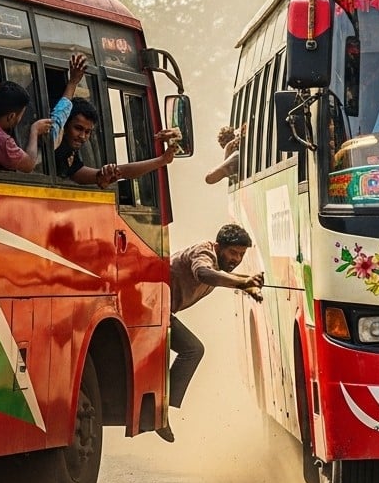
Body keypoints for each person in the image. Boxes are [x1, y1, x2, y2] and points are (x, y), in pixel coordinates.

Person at [160, 224, 264, 442]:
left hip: (160, 311)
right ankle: (159, 411)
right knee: (193, 349)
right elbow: (204, 273)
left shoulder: (222, 268)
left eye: (241, 255)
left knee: (191, 350)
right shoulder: (204, 251)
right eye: (233, 253)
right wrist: (242, 282)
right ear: (219, 247)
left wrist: (247, 284)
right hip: (151, 306)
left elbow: (226, 276)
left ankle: (159, 411)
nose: (236, 259)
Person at [53, 96, 178, 186]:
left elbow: (121, 172)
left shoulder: (69, 156)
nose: (83, 136)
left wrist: (163, 160)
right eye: (78, 128)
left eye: (87, 132)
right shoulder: (52, 147)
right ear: (64, 125)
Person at [0, 81, 51, 172]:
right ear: (11, 116)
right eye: (21, 115)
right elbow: (29, 165)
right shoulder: (3, 142)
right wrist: (35, 130)